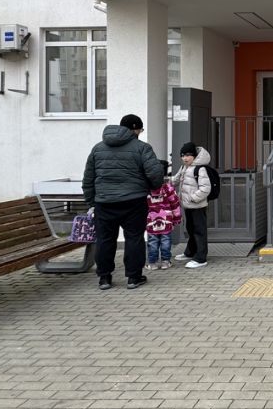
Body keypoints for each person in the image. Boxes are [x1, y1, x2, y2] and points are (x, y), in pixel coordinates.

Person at [82, 113, 164, 290]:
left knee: (105, 240)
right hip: (134, 201)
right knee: (134, 238)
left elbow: (88, 178)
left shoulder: (98, 148)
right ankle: (134, 277)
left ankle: (104, 278)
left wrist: (91, 202)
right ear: (136, 129)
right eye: (141, 130)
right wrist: (151, 187)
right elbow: (155, 174)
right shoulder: (142, 148)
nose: (140, 133)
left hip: (104, 202)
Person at [175, 143, 212, 268]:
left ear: (194, 156)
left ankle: (201, 258)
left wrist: (193, 198)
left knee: (199, 231)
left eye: (188, 155)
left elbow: (205, 188)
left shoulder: (200, 169)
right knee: (191, 229)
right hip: (188, 205)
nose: (185, 158)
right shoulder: (184, 167)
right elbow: (175, 180)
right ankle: (190, 252)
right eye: (183, 155)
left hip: (198, 206)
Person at [145, 171, 181, 270]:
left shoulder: (146, 188)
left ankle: (152, 263)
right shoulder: (168, 188)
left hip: (151, 220)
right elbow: (175, 203)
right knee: (166, 241)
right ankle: (166, 262)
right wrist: (177, 218)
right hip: (166, 220)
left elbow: (142, 206)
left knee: (152, 242)